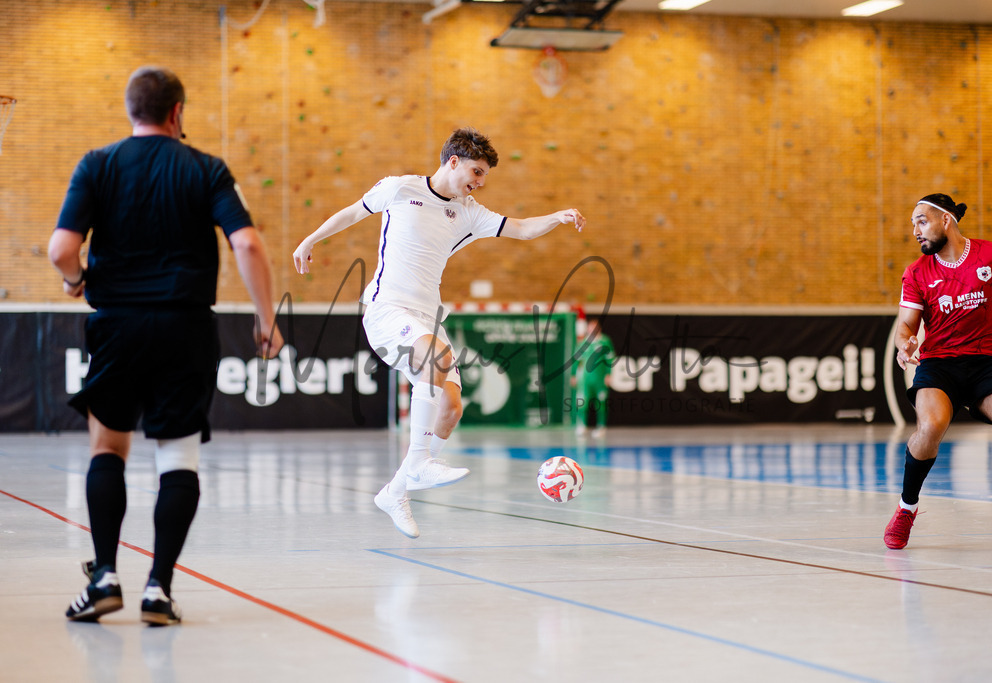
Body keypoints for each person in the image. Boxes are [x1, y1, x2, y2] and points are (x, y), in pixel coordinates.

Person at [50, 66, 284, 625]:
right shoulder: (206, 169)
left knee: (108, 450)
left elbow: (62, 248)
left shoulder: (97, 164)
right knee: (178, 458)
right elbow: (248, 244)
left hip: (117, 327)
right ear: (178, 112)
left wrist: (76, 281)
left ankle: (104, 578)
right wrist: (266, 319)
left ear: (133, 111)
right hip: (186, 328)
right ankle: (159, 589)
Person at [293, 127, 585, 539]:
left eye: (484, 176)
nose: (480, 183)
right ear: (453, 161)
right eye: (477, 172)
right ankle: (417, 464)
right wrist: (310, 239)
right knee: (438, 359)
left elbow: (518, 228)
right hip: (386, 310)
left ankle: (396, 491)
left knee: (451, 407)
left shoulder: (469, 211)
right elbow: (354, 211)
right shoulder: (400, 188)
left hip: (427, 317)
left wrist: (556, 217)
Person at [887, 193, 992, 550]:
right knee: (930, 426)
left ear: (945, 220)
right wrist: (905, 344)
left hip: (987, 363)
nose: (915, 230)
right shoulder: (917, 272)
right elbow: (906, 326)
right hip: (940, 365)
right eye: (913, 224)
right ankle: (906, 507)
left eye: (921, 221)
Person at [572, 318, 616, 437]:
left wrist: (608, 374)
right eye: (590, 328)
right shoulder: (582, 343)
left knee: (601, 402)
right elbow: (576, 361)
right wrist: (573, 375)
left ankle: (601, 426)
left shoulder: (605, 341)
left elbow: (610, 359)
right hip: (585, 379)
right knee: (582, 401)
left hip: (599, 378)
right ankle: (582, 425)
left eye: (594, 328)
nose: (592, 330)